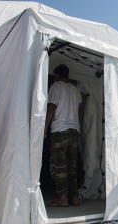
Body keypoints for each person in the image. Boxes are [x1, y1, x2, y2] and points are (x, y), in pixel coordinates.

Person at [44, 64, 82, 207]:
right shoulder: (75, 89)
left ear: (57, 76)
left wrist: (45, 127)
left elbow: (52, 107)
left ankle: (63, 199)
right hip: (74, 130)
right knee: (72, 165)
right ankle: (74, 198)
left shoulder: (55, 87)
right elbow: (80, 110)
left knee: (59, 166)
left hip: (60, 130)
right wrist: (77, 126)